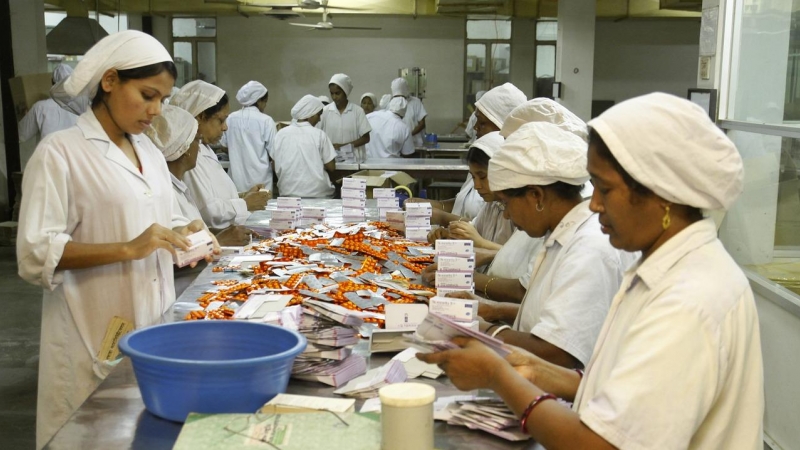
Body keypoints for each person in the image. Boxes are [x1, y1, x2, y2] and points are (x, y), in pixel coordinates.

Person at [418, 93, 764, 449]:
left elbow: (603, 444)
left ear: (661, 195)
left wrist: (498, 375)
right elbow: (629, 387)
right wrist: (536, 370)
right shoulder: (664, 267)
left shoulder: (688, 298)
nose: (594, 204)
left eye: (605, 189)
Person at [15, 31, 213, 449]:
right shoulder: (60, 153)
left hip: (152, 319)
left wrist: (186, 235)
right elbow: (35, 253)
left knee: (143, 433)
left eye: (162, 99)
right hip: (91, 327)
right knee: (91, 435)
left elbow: (166, 222)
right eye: (146, 95)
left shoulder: (150, 154)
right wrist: (127, 248)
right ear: (109, 81)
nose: (156, 111)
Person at [416, 82, 527, 226]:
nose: (475, 127)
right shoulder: (481, 160)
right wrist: (433, 205)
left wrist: (442, 217)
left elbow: (482, 232)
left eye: (482, 123)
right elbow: (465, 204)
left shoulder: (509, 183)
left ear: (502, 126)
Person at [171, 80, 269, 230]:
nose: (225, 127)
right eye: (221, 120)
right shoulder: (187, 155)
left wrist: (243, 196)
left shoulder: (206, 149)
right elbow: (208, 211)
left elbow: (214, 195)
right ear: (200, 116)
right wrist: (246, 204)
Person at [427, 132, 515, 250]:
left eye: (483, 177)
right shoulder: (492, 204)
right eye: (473, 177)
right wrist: (448, 234)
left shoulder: (518, 209)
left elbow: (522, 259)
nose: (477, 186)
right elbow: (473, 230)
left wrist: (480, 243)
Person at [271, 95, 337, 198]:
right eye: (318, 115)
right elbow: (331, 167)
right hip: (318, 194)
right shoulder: (319, 135)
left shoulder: (280, 134)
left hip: (288, 194)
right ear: (310, 114)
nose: (319, 119)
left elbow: (274, 165)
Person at [222, 80, 277, 192]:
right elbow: (274, 153)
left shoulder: (230, 118)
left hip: (236, 180)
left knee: (239, 207)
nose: (265, 105)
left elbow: (223, 146)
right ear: (259, 101)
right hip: (261, 181)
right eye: (265, 102)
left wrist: (238, 152)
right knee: (261, 208)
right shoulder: (266, 120)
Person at [18, 63, 79, 143]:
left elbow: (20, 135)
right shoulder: (85, 108)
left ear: (52, 82)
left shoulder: (40, 107)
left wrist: (25, 114)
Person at [319, 73, 371, 163]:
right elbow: (317, 135)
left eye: (338, 93)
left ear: (345, 92)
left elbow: (366, 138)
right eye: (332, 93)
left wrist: (344, 146)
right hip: (332, 163)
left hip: (354, 163)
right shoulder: (325, 111)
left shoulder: (357, 111)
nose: (334, 97)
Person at [390, 77, 427, 148]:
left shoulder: (416, 102)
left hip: (415, 143)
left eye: (401, 97)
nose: (400, 100)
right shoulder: (391, 103)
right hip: (398, 143)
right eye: (397, 97)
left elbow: (422, 124)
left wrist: (409, 135)